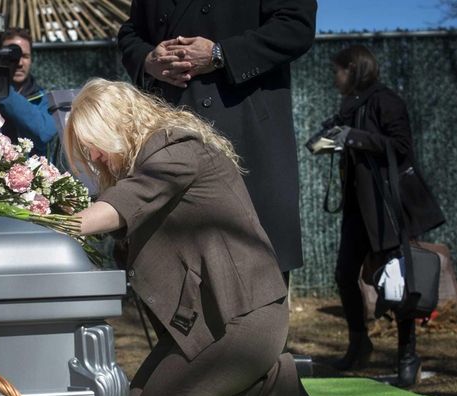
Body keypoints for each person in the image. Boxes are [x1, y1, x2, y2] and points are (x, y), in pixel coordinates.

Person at [67, 78, 314, 396]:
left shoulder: (175, 149)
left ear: (117, 123)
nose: (92, 157)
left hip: (240, 319)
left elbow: (125, 203)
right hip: (204, 325)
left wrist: (57, 225)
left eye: (92, 144)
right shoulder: (153, 160)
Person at [117, 0, 317, 277]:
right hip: (170, 131)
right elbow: (130, 32)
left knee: (256, 279)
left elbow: (297, 25)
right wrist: (147, 60)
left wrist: (220, 53)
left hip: (245, 133)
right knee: (172, 274)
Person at [326, 45, 444, 387]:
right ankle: (359, 342)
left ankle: (408, 354)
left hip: (387, 207)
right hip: (357, 208)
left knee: (399, 281)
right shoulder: (350, 106)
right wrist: (330, 140)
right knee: (345, 274)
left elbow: (401, 146)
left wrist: (356, 137)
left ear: (353, 69)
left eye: (338, 71)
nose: (335, 78)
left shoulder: (387, 100)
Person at [0, 27, 56, 158]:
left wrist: (3, 91)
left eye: (25, 56)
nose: (20, 63)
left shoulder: (45, 99)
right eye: (13, 56)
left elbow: (44, 134)